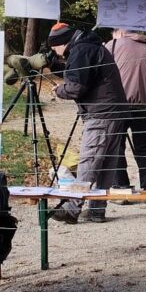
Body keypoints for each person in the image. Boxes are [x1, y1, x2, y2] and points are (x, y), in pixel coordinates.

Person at [47, 22, 128, 224]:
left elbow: (76, 87)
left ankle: (72, 209)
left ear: (61, 43)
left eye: (54, 48)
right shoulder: (90, 46)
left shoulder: (81, 51)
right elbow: (84, 76)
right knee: (106, 163)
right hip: (114, 112)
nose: (55, 53)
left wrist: (59, 90)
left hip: (100, 113)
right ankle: (97, 210)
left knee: (89, 162)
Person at [104, 28, 146, 193]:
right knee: (143, 146)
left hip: (118, 105)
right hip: (142, 106)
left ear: (120, 32)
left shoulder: (113, 45)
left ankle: (121, 184)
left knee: (116, 145)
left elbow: (103, 74)